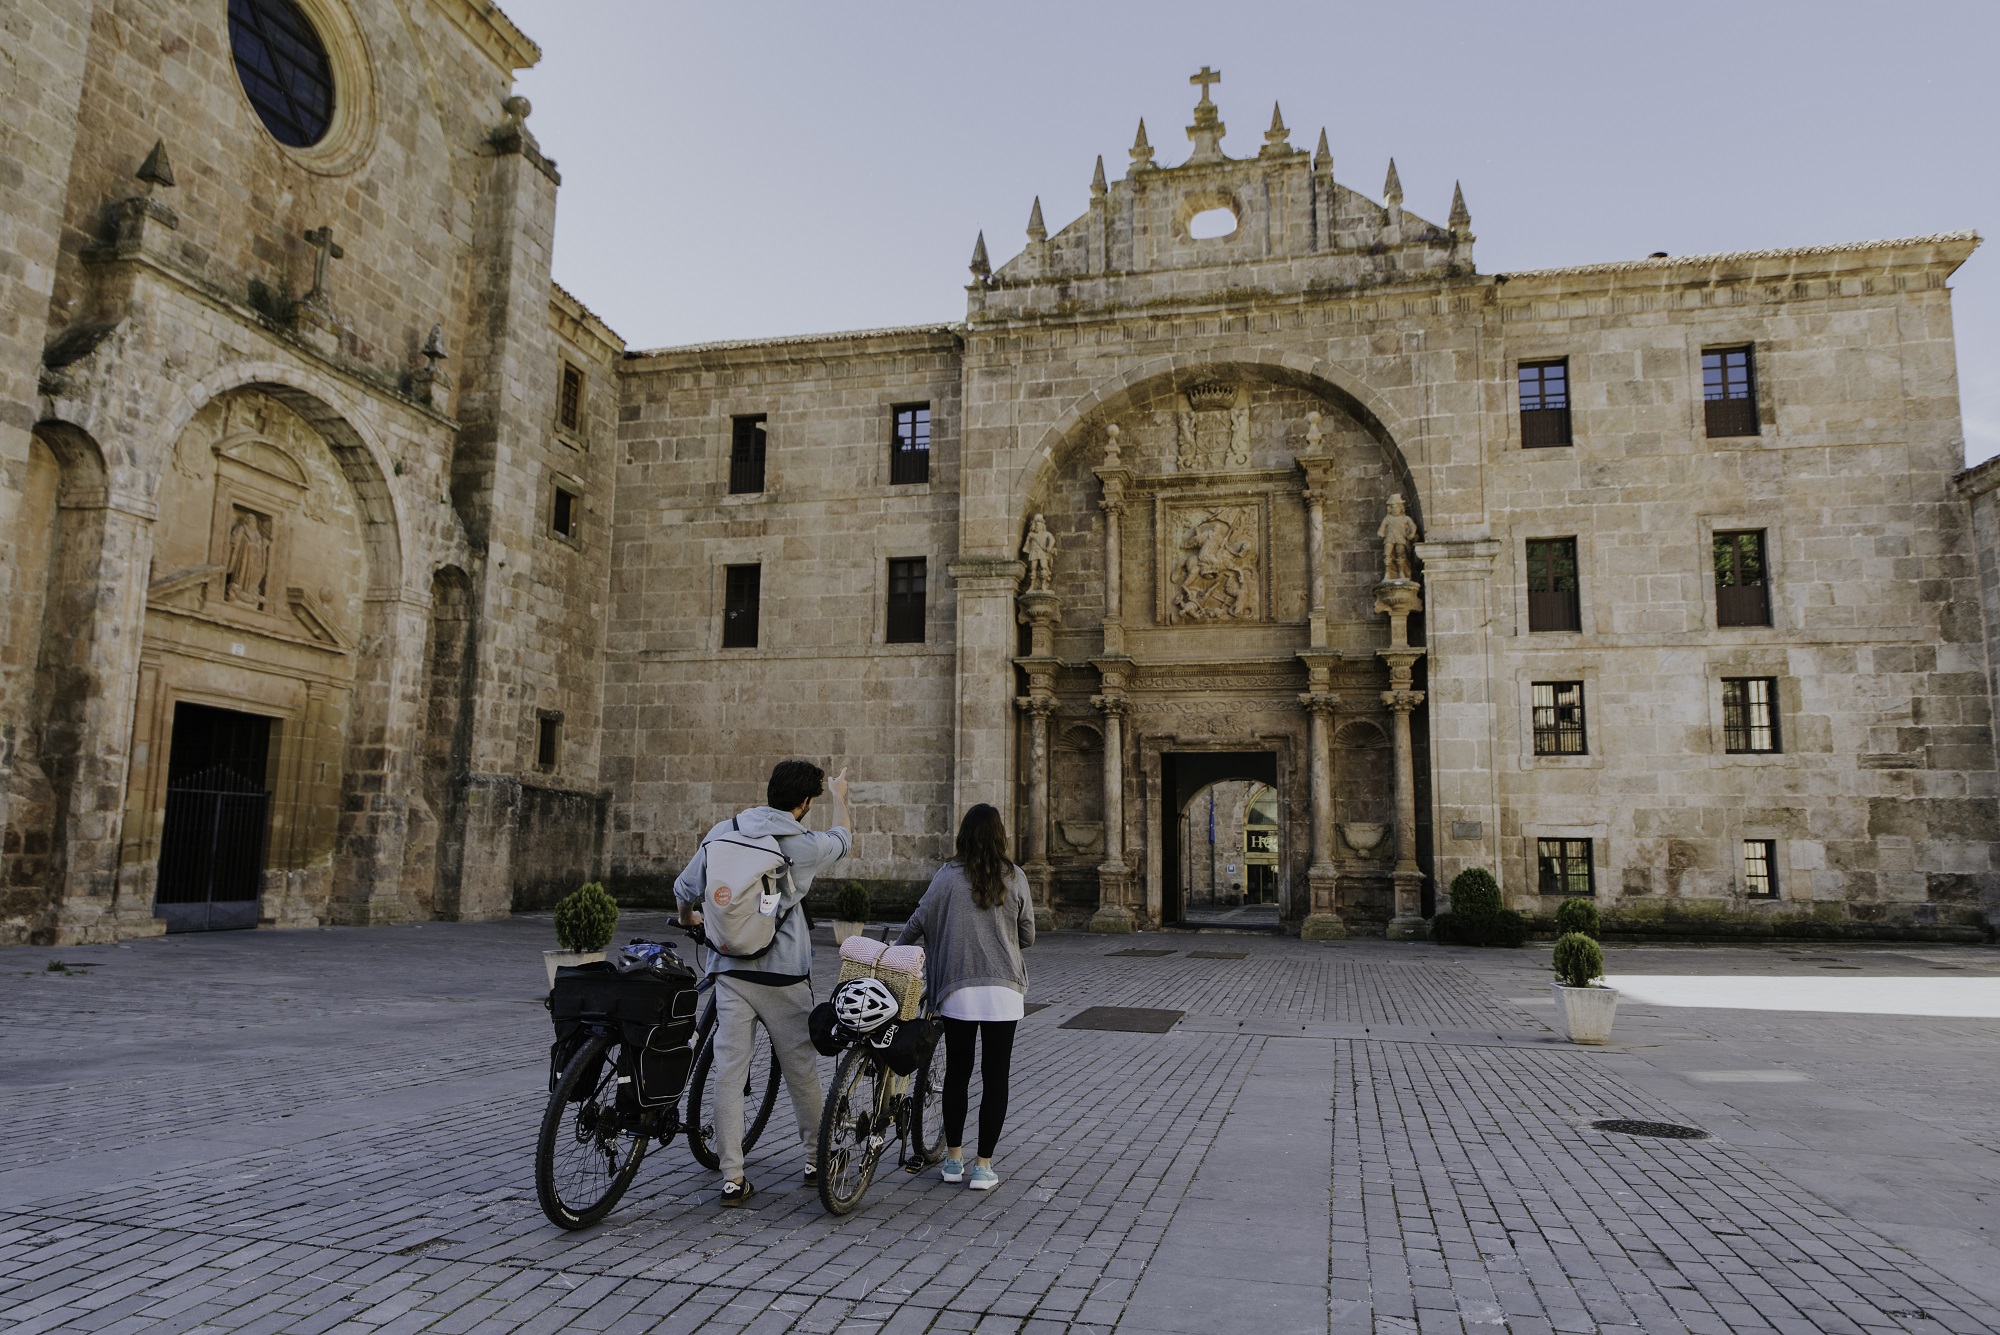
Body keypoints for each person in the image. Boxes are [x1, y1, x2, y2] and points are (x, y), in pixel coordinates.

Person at [675, 759, 852, 1206]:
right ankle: (816, 1160)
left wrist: (691, 918)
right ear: (805, 802)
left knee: (729, 1074)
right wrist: (842, 798)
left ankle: (732, 1177)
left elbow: (684, 889)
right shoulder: (804, 844)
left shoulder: (724, 830)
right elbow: (844, 839)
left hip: (730, 970)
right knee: (801, 1072)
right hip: (784, 976)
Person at [897, 803, 1035, 1191]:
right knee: (996, 1079)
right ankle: (984, 1166)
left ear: (962, 835)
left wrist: (894, 954)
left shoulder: (946, 877)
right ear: (1000, 836)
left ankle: (954, 1161)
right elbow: (1028, 936)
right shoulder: (1015, 875)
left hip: (956, 989)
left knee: (958, 1073)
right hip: (1003, 991)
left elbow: (918, 921)